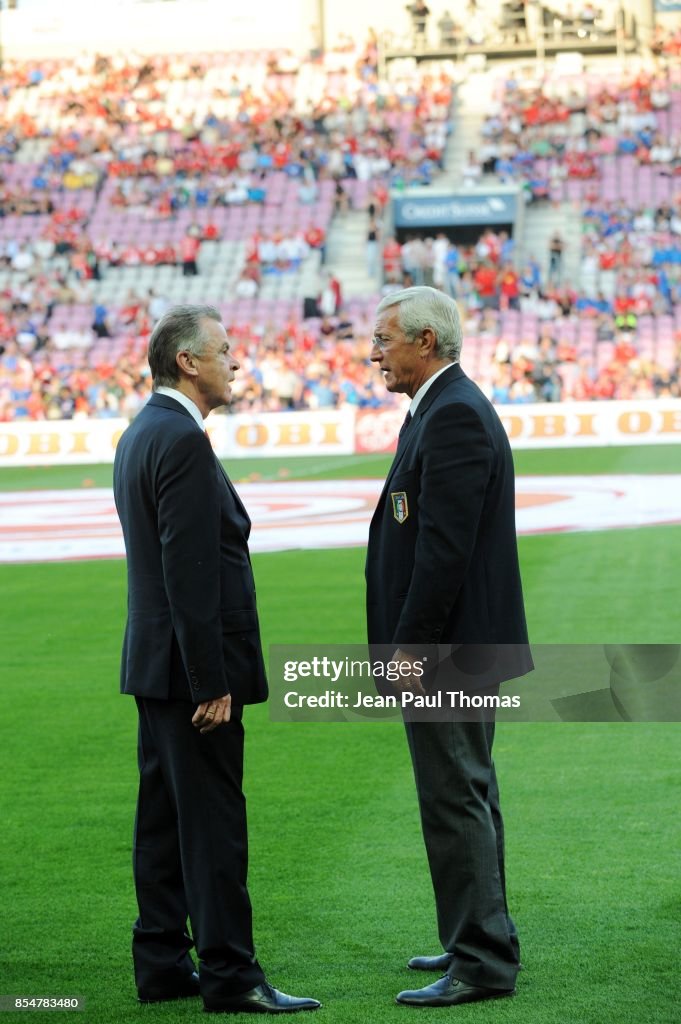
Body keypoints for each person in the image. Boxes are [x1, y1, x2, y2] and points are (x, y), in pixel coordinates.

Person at [113, 304, 320, 1016]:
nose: (237, 362)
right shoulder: (181, 441)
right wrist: (212, 681)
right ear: (187, 362)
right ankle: (231, 974)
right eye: (225, 351)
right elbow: (191, 571)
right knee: (212, 824)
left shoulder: (143, 432)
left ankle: (163, 962)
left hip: (152, 662)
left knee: (164, 821)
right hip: (190, 672)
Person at [365, 287, 532, 1008]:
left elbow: (443, 552)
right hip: (459, 646)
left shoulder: (453, 413)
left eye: (384, 340)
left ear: (425, 342)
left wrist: (409, 649)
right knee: (468, 791)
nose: (374, 353)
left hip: (447, 652)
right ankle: (477, 932)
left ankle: (481, 961)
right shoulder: (442, 407)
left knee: (454, 796)